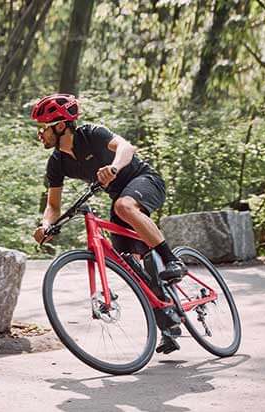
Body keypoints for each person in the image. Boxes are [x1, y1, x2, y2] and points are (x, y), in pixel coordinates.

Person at [31, 93, 186, 353]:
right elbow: (53, 206)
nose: (40, 135)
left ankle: (172, 259)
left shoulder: (91, 134)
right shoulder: (57, 162)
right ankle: (168, 323)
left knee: (124, 206)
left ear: (60, 126)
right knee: (129, 265)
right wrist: (46, 225)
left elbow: (126, 148)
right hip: (119, 198)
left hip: (146, 181)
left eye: (42, 129)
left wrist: (114, 167)